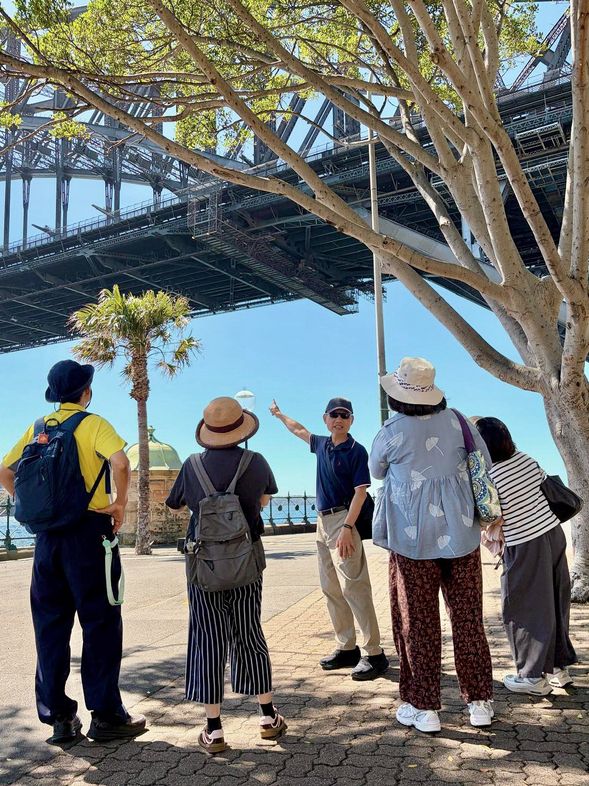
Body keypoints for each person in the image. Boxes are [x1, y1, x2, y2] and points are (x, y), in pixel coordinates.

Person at [0, 359, 146, 744]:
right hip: (87, 535)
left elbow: (5, 471)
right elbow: (120, 461)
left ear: (54, 395)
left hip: (46, 541)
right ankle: (107, 715)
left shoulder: (37, 428)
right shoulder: (92, 423)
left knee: (50, 628)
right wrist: (119, 503)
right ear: (86, 392)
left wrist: (33, 507)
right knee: (100, 622)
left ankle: (60, 719)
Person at [369, 357, 494, 732]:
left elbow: (376, 470)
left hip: (412, 539)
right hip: (462, 534)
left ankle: (424, 709)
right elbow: (483, 462)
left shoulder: (390, 431)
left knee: (417, 623)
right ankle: (480, 703)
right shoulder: (458, 421)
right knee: (468, 618)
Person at [166, 397, 286, 754]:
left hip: (203, 566)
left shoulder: (191, 466)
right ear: (241, 427)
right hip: (247, 563)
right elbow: (264, 501)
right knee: (249, 632)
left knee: (208, 638)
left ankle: (214, 729)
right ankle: (267, 717)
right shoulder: (256, 461)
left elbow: (176, 505)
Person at [270, 396, 388, 681]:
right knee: (331, 588)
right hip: (322, 522)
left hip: (344, 521)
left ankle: (374, 653)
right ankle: (347, 647)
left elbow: (361, 492)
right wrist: (279, 414)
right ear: (325, 419)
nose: (339, 420)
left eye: (344, 416)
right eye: (334, 415)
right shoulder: (322, 444)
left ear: (351, 420)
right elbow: (299, 430)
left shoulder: (356, 451)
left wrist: (347, 528)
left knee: (354, 587)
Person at [475, 417, 577, 695]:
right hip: (552, 534)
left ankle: (532, 676)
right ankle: (559, 667)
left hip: (524, 543)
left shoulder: (492, 477)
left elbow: (488, 515)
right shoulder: (525, 459)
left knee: (522, 606)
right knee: (556, 600)